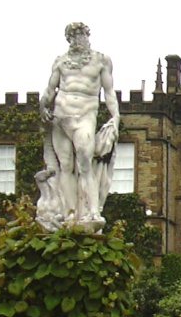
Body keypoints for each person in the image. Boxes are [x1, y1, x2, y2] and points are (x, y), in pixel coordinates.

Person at [37, 22, 120, 232]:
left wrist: (115, 117)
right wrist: (42, 107)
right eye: (72, 36)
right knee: (65, 165)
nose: (76, 39)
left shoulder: (101, 60)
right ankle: (71, 213)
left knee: (84, 160)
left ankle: (92, 211)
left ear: (87, 36)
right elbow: (49, 89)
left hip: (85, 114)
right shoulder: (60, 61)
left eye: (80, 35)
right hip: (60, 116)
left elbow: (109, 93)